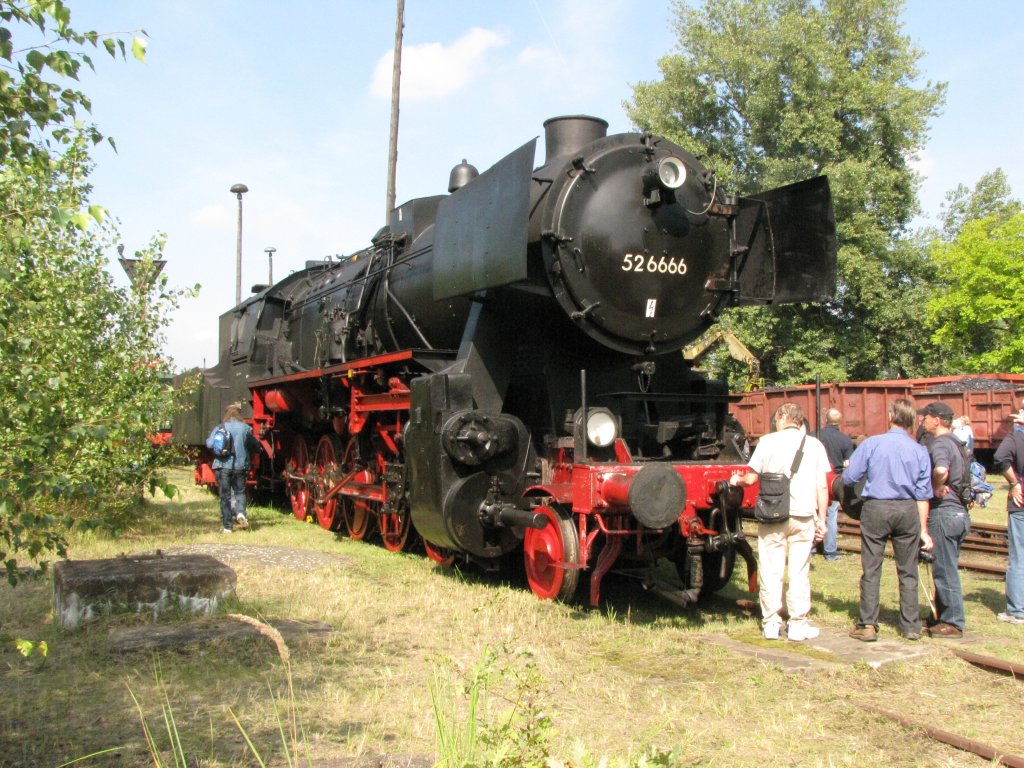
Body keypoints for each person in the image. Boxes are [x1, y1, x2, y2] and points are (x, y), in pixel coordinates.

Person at [729, 402, 829, 642]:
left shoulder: (767, 442)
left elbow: (751, 479)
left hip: (773, 515)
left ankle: (771, 623)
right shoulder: (814, 445)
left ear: (784, 417)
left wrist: (736, 481)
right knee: (799, 571)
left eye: (776, 418)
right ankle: (797, 624)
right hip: (803, 515)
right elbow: (822, 485)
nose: (774, 422)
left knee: (771, 569)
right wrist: (822, 519)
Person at [844, 399, 933, 642]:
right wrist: (924, 529)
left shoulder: (872, 443)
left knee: (872, 567)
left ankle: (868, 624)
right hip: (907, 510)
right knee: (908, 570)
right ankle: (911, 625)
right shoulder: (919, 450)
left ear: (891, 415)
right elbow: (923, 494)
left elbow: (850, 478)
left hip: (876, 508)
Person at [919, 401, 971, 638]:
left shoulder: (940, 443)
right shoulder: (956, 443)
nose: (922, 421)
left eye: (925, 417)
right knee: (947, 566)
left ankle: (952, 622)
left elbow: (940, 470)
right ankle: (940, 615)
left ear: (936, 420)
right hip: (959, 512)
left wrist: (936, 486)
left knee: (944, 569)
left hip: (944, 512)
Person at [206, 403, 259, 533]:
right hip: (240, 467)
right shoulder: (246, 428)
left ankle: (227, 527)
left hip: (223, 466)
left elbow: (209, 444)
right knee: (240, 492)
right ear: (239, 414)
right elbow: (256, 447)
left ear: (226, 413)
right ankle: (240, 513)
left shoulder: (220, 427)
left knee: (225, 496)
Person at [991, 428, 1024, 625]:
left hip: (1021, 503)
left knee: (1019, 557)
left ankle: (1017, 610)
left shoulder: (1017, 437)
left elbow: (1000, 457)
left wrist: (1014, 483)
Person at [818, 408, 853, 561]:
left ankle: (813, 547)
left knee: (814, 512)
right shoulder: (845, 439)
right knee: (831, 515)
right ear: (839, 421)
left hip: (817, 477)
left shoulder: (815, 435)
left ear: (826, 419)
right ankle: (830, 552)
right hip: (834, 481)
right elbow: (848, 463)